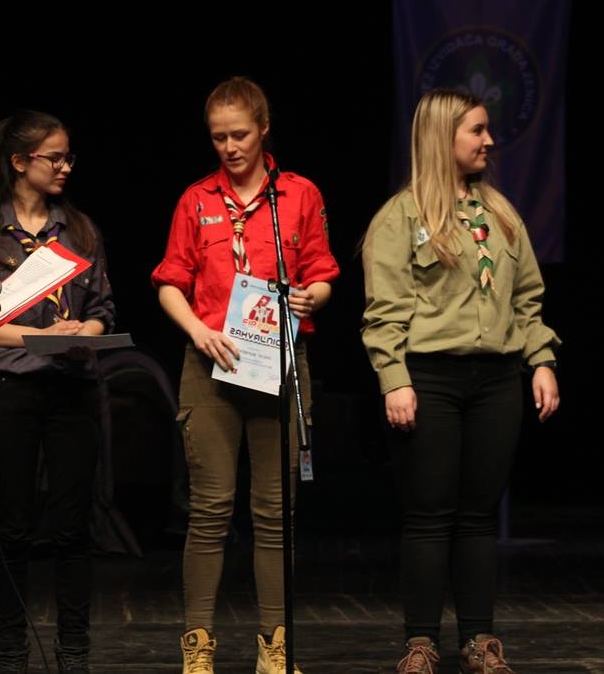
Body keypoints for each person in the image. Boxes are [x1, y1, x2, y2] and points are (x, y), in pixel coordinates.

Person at [360, 88, 561, 674]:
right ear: (441, 137)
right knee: (429, 515)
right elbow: (384, 311)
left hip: (496, 379)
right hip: (430, 378)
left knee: (478, 515)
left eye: (487, 129)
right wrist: (394, 379)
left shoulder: (501, 214)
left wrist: (541, 360)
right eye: (476, 130)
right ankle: (421, 641)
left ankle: (479, 640)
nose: (488, 140)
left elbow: (527, 297)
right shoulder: (400, 218)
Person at [151, 77, 340, 674]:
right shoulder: (196, 200)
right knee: (210, 508)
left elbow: (321, 271)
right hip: (212, 363)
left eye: (239, 135)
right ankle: (198, 645)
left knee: (275, 513)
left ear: (263, 129)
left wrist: (312, 297)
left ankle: (274, 648)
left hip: (277, 361)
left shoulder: (298, 195)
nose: (229, 147)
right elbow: (169, 282)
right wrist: (197, 330)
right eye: (218, 138)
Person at [0, 110, 115, 674]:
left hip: (73, 389)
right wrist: (40, 337)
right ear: (20, 162)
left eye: (69, 156)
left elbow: (103, 310)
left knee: (73, 527)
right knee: (12, 527)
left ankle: (74, 651)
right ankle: (11, 651)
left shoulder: (80, 229)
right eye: (55, 157)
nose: (66, 166)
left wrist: (83, 332)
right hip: (11, 389)